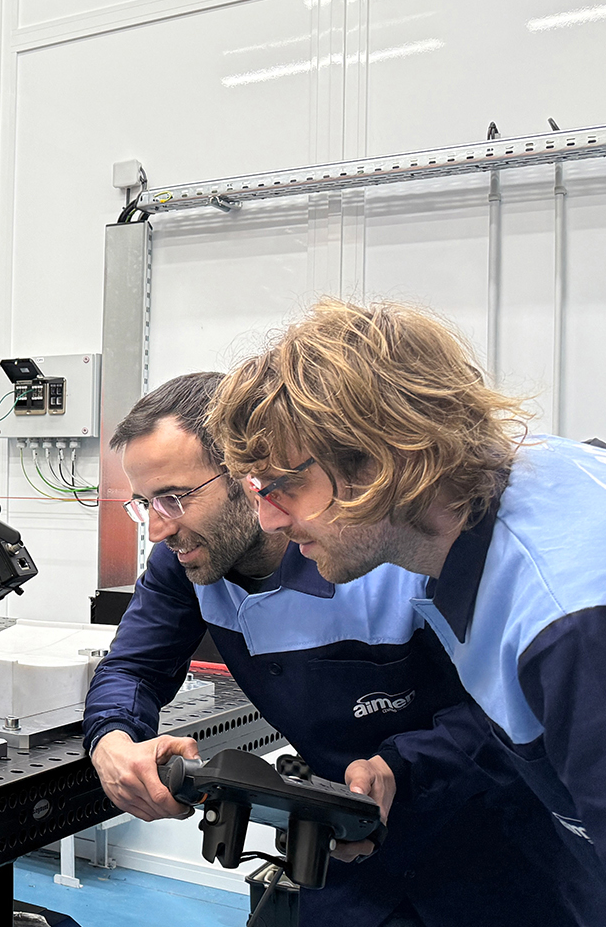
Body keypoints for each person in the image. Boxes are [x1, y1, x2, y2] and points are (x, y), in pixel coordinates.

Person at [84, 372, 598, 926]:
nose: (158, 530)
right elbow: (132, 667)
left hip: (499, 846)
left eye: (174, 499)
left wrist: (403, 765)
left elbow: (505, 707)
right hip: (347, 854)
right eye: (144, 503)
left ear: (245, 474)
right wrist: (112, 739)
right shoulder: (188, 563)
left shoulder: (391, 550)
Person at [209, 298, 606, 884]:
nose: (269, 521)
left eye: (283, 487)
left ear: (383, 456)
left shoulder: (569, 627)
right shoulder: (532, 477)